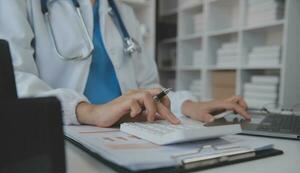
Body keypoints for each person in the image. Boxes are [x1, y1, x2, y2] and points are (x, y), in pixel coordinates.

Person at [0, 0, 250, 128]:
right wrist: (89, 112)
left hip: (129, 132)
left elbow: (149, 87)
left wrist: (188, 105)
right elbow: (13, 79)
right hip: (64, 134)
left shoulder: (121, 12)